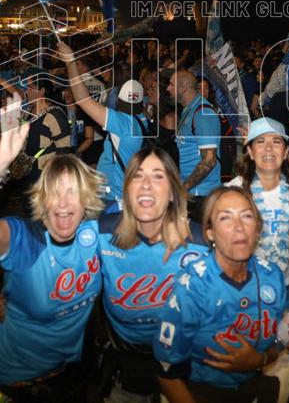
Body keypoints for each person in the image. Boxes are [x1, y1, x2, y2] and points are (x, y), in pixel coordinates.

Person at [0, 123, 105, 401]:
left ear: (87, 201)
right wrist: (1, 161)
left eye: (72, 192)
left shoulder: (96, 236)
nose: (62, 203)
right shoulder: (27, 240)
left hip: (67, 377)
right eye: (54, 192)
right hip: (12, 383)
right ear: (41, 200)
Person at [154, 186, 289, 403]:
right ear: (210, 232)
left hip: (257, 386)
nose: (239, 227)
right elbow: (166, 373)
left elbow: (282, 335)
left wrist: (260, 359)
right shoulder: (193, 286)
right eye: (225, 218)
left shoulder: (272, 276)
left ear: (258, 229)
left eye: (247, 216)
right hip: (202, 392)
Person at [96, 147, 210, 401]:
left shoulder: (201, 243)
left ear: (172, 192)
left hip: (186, 365)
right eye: (137, 176)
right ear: (126, 191)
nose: (146, 185)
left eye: (158, 176)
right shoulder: (101, 234)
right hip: (126, 366)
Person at [61, 41, 150, 210]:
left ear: (119, 101)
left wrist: (70, 62)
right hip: (124, 192)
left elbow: (83, 100)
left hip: (115, 199)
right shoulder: (142, 118)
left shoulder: (122, 123)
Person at [227, 117, 289, 285]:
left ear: (285, 152)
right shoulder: (232, 192)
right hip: (243, 286)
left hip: (286, 286)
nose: (269, 148)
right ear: (251, 152)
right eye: (260, 142)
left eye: (276, 142)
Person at [167, 69, 222, 214]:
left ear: (183, 88)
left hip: (201, 195)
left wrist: (183, 189)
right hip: (191, 193)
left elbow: (209, 160)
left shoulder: (203, 113)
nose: (168, 88)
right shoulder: (188, 110)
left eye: (171, 85)